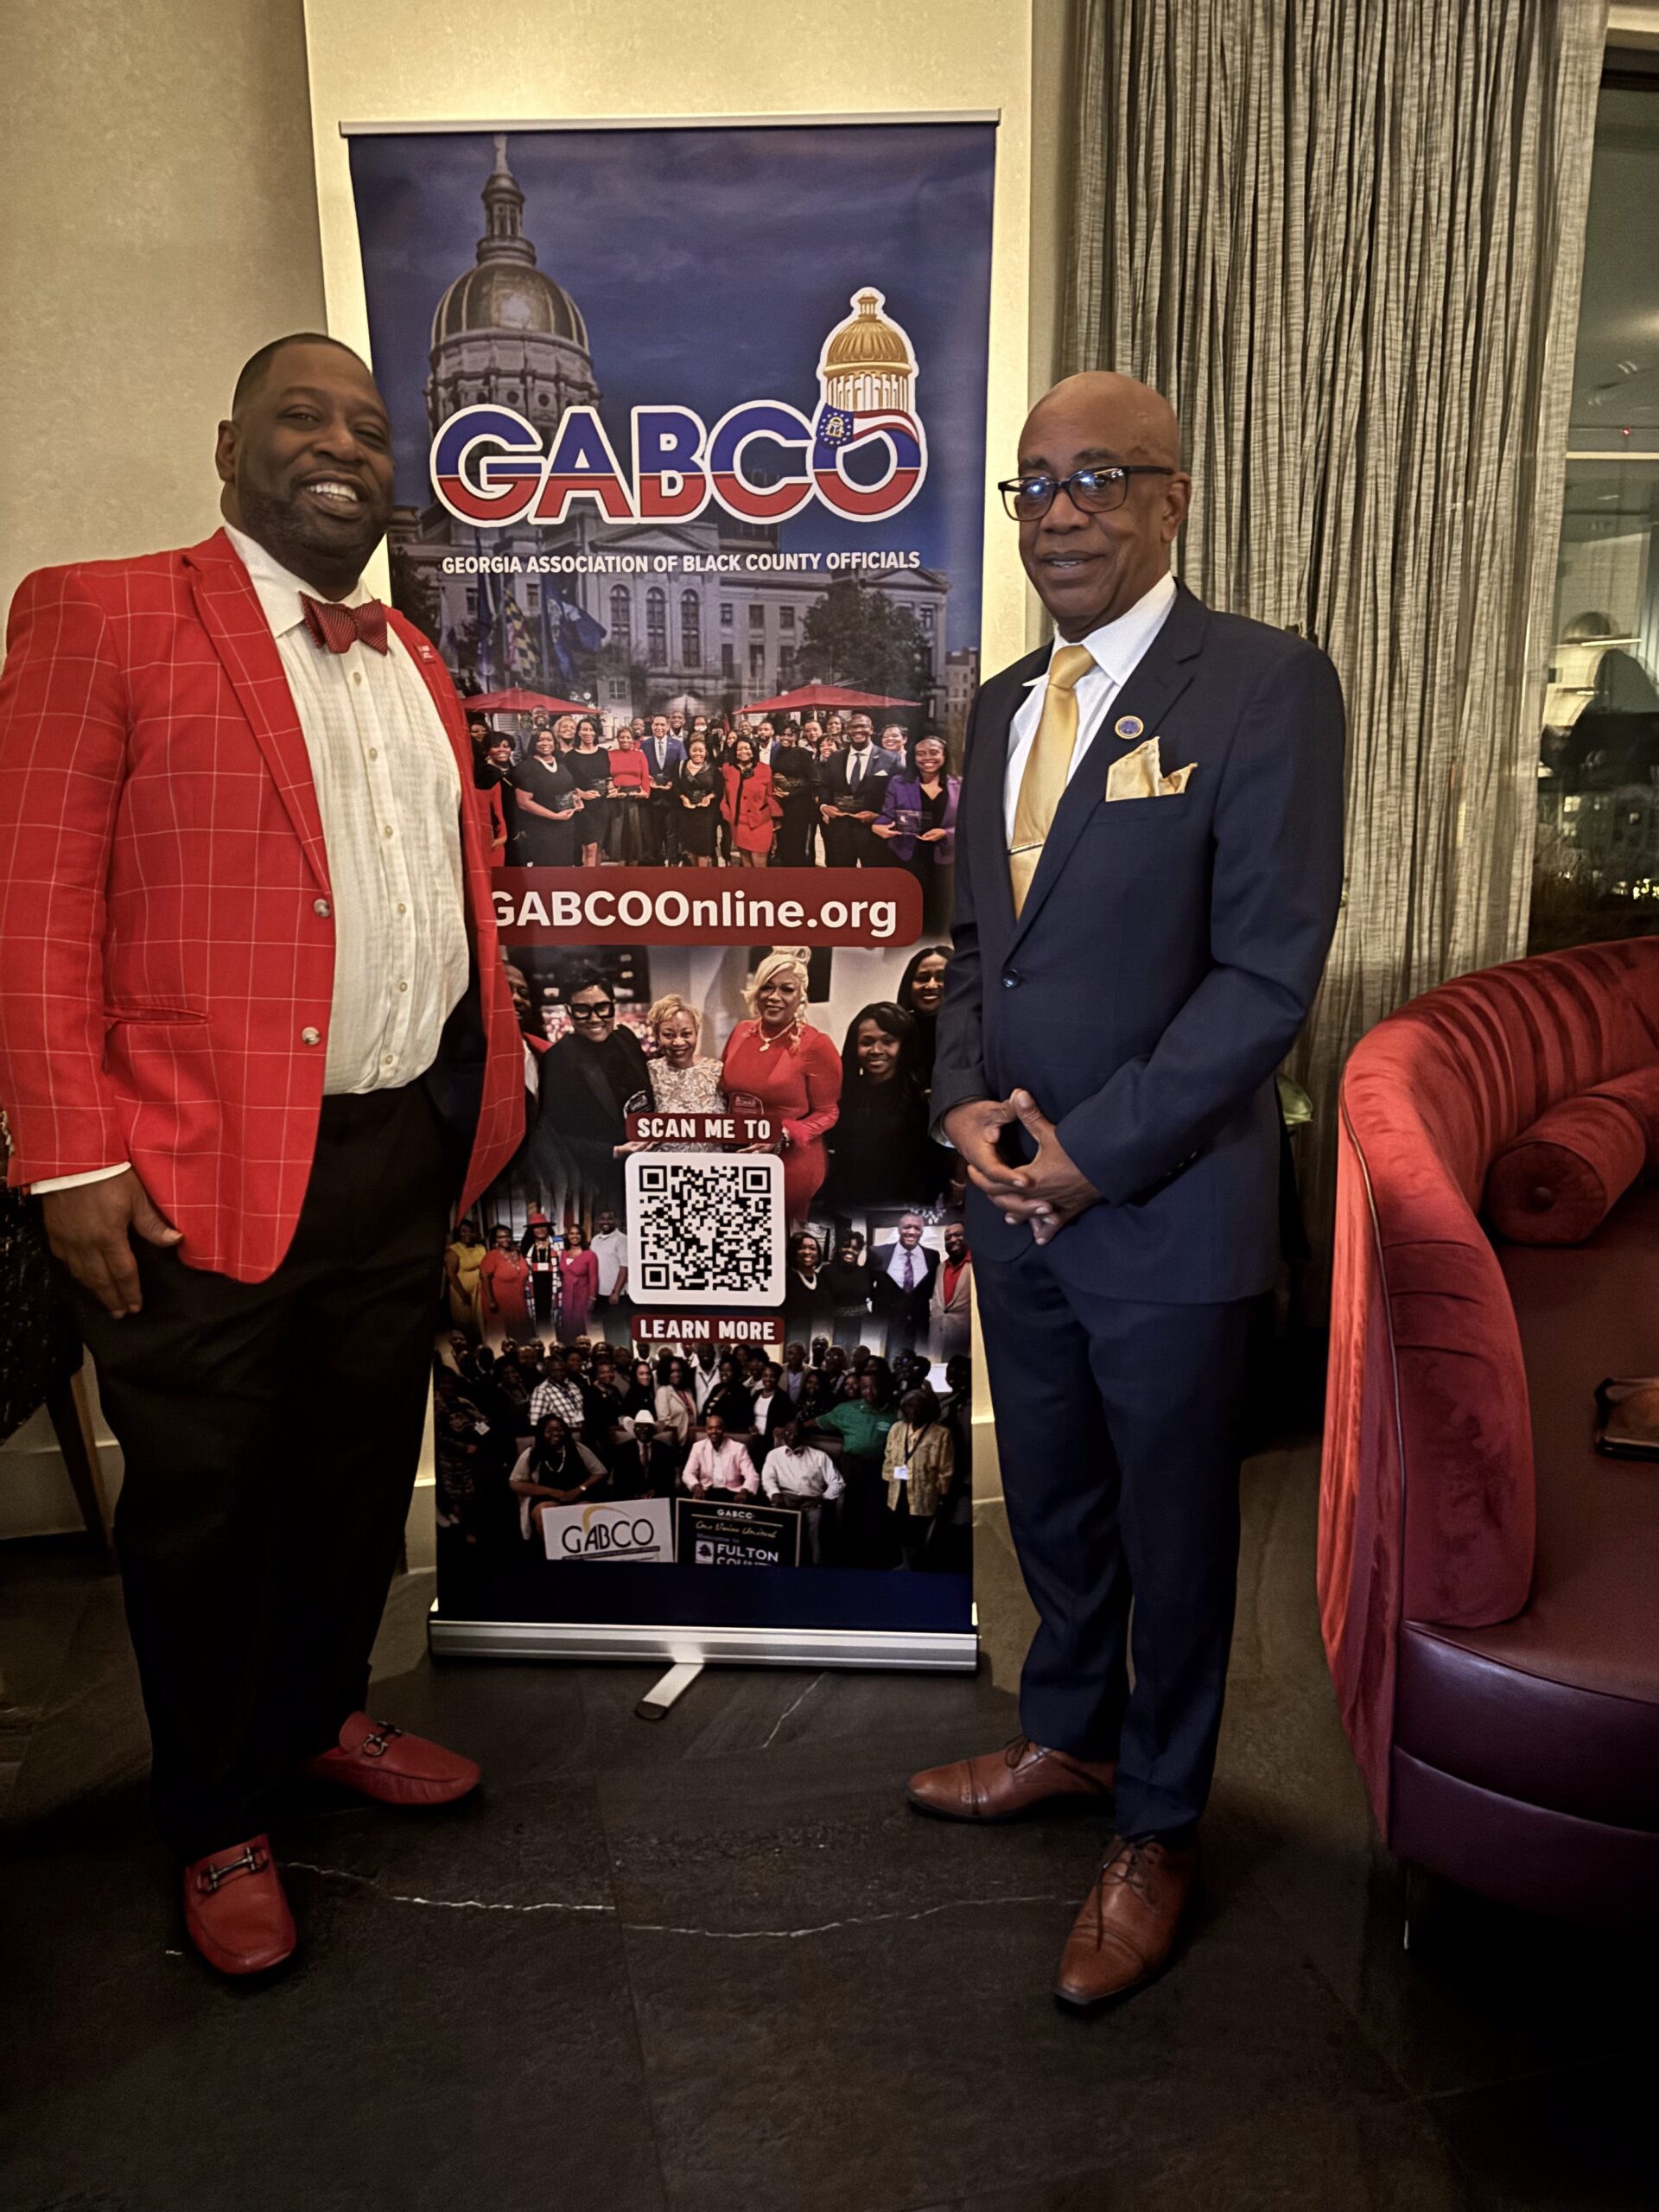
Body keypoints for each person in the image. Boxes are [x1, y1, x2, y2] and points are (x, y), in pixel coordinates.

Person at [0, 332, 524, 1978]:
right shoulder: (98, 614)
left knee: (356, 1473)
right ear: (227, 442)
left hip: (397, 1146)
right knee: (208, 1508)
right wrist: (67, 1161)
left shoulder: (413, 657)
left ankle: (317, 1717)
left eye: (370, 428)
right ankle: (217, 1812)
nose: (343, 447)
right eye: (304, 416)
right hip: (185, 1165)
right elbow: (30, 903)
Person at [909, 371, 1344, 2013]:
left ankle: (1159, 1826)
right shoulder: (1001, 704)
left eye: (1100, 477)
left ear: (1174, 498)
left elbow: (1265, 977)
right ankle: (1070, 1741)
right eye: (1035, 483)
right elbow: (978, 949)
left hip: (1164, 1207)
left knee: (1175, 1536)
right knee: (1058, 1505)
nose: (1063, 511)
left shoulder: (1267, 686)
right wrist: (961, 1105)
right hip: (1014, 1205)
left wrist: (1094, 1154)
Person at [720, 953, 841, 1229]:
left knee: (779, 1241)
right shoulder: (741, 1032)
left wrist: (784, 1134)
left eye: (786, 989)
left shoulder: (816, 1044)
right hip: (738, 1155)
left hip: (790, 1161)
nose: (774, 997)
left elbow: (828, 1112)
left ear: (801, 996)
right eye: (767, 987)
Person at [538, 973, 650, 1217]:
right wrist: (614, 1152)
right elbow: (557, 1138)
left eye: (602, 1008)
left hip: (646, 1170)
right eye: (582, 1010)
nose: (594, 1018)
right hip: (597, 1186)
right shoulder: (557, 1060)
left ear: (613, 1005)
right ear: (569, 1011)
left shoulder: (626, 1038)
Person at [823, 1002, 948, 1212]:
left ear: (904, 1046)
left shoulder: (924, 1098)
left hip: (905, 1212)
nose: (876, 1051)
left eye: (888, 1042)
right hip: (850, 1209)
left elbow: (935, 1170)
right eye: (867, 1042)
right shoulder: (840, 1096)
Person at [807, 1365, 898, 1566]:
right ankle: (847, 1561)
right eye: (864, 1387)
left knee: (875, 1518)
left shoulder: (895, 1413)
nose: (868, 1392)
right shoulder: (846, 1410)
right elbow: (816, 1422)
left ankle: (872, 1563)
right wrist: (794, 1427)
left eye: (873, 1387)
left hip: (881, 1471)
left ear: (883, 1387)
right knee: (849, 1516)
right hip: (852, 1468)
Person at [873, 735, 959, 925]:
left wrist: (946, 834)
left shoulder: (960, 785)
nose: (927, 758)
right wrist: (877, 826)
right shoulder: (898, 783)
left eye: (934, 752)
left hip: (946, 859)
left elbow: (968, 823)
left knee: (940, 914)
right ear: (913, 757)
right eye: (921, 753)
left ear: (944, 755)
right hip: (908, 855)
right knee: (910, 914)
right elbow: (887, 815)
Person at [883, 1385, 956, 1571]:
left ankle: (917, 1565)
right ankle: (905, 1562)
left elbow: (945, 1467)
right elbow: (889, 1455)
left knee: (918, 1528)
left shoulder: (941, 1433)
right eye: (910, 1406)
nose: (914, 1411)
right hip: (898, 1488)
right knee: (900, 1525)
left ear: (929, 1409)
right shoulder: (897, 1428)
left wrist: (942, 1492)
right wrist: (888, 1478)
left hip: (924, 1491)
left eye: (919, 1406)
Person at [633, 995, 725, 1141]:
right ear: (657, 1036)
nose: (678, 1042)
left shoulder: (717, 1071)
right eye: (669, 1035)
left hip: (712, 1156)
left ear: (696, 1033)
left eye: (686, 1034)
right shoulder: (649, 1072)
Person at [510, 1413, 607, 1545]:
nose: (555, 1434)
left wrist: (580, 1489)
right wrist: (554, 1492)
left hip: (578, 1495)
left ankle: (584, 1551)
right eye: (549, 1431)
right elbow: (515, 1483)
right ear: (541, 1433)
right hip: (545, 1497)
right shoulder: (531, 1453)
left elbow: (600, 1472)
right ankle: (554, 1552)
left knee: (587, 1512)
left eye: (559, 1430)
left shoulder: (578, 1449)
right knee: (547, 1514)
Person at [760, 1416, 844, 1564]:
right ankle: (778, 1562)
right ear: (783, 1435)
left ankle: (815, 1564)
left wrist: (823, 1497)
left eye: (796, 1434)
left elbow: (838, 1483)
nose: (792, 1437)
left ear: (804, 1436)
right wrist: (774, 1493)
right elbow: (768, 1478)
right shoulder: (774, 1455)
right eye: (788, 1433)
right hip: (785, 1499)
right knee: (775, 1528)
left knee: (816, 1526)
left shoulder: (819, 1456)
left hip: (811, 1501)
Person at [817, 712, 893, 866]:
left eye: (862, 726)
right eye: (853, 727)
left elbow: (896, 793)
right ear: (847, 730)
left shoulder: (889, 758)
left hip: (873, 829)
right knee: (841, 875)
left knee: (873, 875)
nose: (858, 731)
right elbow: (825, 786)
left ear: (871, 729)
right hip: (840, 828)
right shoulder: (835, 757)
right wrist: (824, 806)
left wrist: (879, 815)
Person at [870, 1212, 939, 1356]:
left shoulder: (932, 1256)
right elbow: (867, 1284)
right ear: (899, 1229)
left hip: (920, 1325)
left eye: (917, 1228)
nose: (912, 1232)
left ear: (922, 1232)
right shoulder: (878, 1252)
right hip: (886, 1325)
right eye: (907, 1227)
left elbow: (932, 1288)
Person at [512, 728, 583, 866]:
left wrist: (576, 800)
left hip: (566, 825)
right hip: (542, 828)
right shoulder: (526, 768)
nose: (545, 743)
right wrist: (554, 816)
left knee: (566, 865)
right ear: (533, 743)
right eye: (540, 740)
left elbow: (567, 787)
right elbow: (523, 802)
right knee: (547, 868)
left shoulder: (562, 763)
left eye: (549, 739)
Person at [720, 733, 780, 867]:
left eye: (747, 748)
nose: (744, 752)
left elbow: (771, 795)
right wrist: (726, 812)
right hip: (738, 822)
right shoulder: (727, 769)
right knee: (745, 861)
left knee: (759, 862)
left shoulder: (765, 769)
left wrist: (776, 820)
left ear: (753, 751)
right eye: (740, 749)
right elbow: (724, 794)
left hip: (760, 822)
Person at [896, 944, 951, 1084]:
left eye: (941, 977)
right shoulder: (896, 1033)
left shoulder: (975, 1033)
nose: (931, 985)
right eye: (923, 978)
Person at [770, 724, 820, 867]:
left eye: (789, 735)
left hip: (799, 806)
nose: (785, 738)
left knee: (796, 843)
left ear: (797, 736)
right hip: (781, 804)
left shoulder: (803, 753)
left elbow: (814, 781)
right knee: (783, 842)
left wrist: (791, 793)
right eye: (783, 735)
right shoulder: (778, 752)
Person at [640, 713, 685, 864]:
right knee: (655, 830)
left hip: (671, 794)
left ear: (667, 727)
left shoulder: (678, 744)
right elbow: (640, 767)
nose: (659, 728)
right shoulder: (644, 745)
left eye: (662, 725)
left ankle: (672, 858)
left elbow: (682, 767)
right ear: (652, 726)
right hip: (652, 795)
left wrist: (673, 782)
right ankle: (657, 858)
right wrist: (647, 780)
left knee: (672, 830)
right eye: (656, 725)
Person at [604, 722, 652, 863]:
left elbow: (645, 775)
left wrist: (646, 792)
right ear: (618, 739)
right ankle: (620, 863)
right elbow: (606, 775)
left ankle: (634, 863)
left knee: (635, 832)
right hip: (617, 797)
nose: (625, 740)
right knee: (618, 832)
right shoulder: (610, 754)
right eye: (622, 737)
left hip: (635, 797)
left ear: (632, 739)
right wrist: (610, 788)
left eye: (628, 737)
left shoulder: (639, 755)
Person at [681, 1410, 758, 1497]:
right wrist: (696, 1485)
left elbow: (751, 1475)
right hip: (706, 1491)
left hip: (732, 1493)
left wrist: (745, 1491)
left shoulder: (739, 1448)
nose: (714, 1431)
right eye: (710, 1428)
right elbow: (688, 1473)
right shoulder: (698, 1447)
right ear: (706, 1430)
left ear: (724, 1429)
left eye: (718, 1428)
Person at [567, 717, 610, 866]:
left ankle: (597, 876)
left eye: (591, 730)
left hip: (602, 805)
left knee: (599, 846)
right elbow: (567, 782)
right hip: (584, 807)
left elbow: (607, 776)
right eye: (585, 729)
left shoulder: (603, 753)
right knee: (589, 847)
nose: (588, 733)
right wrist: (580, 793)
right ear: (578, 732)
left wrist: (611, 787)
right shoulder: (570, 756)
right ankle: (588, 878)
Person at [674, 733, 721, 865]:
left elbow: (719, 789)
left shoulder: (712, 768)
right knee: (690, 849)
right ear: (689, 751)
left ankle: (703, 876)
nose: (697, 754)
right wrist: (683, 797)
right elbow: (676, 787)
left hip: (706, 814)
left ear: (706, 752)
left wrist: (710, 797)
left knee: (704, 850)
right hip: (687, 813)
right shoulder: (680, 767)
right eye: (694, 750)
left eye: (701, 750)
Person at [930, 1218, 973, 1362]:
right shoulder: (940, 1267)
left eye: (958, 1235)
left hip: (966, 1341)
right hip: (937, 1340)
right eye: (948, 1237)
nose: (953, 1240)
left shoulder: (978, 1266)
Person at [821, 1233, 873, 1350]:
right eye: (846, 1246)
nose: (850, 1250)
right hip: (835, 1323)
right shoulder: (827, 1271)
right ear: (839, 1248)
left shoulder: (865, 1272)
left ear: (859, 1251)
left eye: (855, 1248)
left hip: (863, 1324)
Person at [612, 1411, 678, 1500]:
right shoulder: (622, 1450)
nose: (642, 1431)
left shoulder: (665, 1450)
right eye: (638, 1427)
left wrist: (655, 1493)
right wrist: (635, 1496)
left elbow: (669, 1478)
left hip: (658, 1497)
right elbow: (619, 1479)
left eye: (646, 1427)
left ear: (653, 1430)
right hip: (630, 1498)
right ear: (634, 1430)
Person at [444, 1217, 487, 1334]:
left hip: (479, 1290)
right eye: (464, 1231)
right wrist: (462, 1293)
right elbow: (451, 1272)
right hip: (461, 1290)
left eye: (471, 1231)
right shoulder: (454, 1249)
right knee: (465, 1321)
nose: (467, 1234)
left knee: (480, 1321)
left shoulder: (481, 1248)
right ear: (459, 1233)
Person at [557, 1222, 599, 1341]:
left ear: (582, 1236)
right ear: (567, 1236)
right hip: (566, 1296)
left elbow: (594, 1278)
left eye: (577, 1234)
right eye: (571, 1234)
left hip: (582, 1296)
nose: (574, 1236)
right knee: (567, 1327)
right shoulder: (563, 1253)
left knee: (581, 1328)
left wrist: (592, 1299)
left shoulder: (590, 1255)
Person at [522, 1212, 561, 1337]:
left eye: (543, 1226)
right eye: (536, 1227)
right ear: (531, 1230)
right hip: (535, 1286)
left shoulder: (559, 1244)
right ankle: (539, 1339)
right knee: (538, 1315)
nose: (540, 1230)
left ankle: (553, 1338)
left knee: (553, 1314)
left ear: (548, 1228)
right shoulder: (526, 1246)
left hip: (552, 1285)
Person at [702, 1352, 754, 1437]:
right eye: (722, 1370)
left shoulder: (741, 1391)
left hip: (730, 1435)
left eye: (728, 1370)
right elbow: (706, 1409)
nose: (724, 1373)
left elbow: (743, 1419)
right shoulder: (717, 1388)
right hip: (711, 1433)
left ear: (735, 1372)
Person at [653, 1353, 698, 1445]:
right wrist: (675, 1440)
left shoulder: (687, 1391)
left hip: (691, 1440)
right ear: (666, 1373)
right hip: (676, 1442)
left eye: (679, 1371)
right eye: (672, 1371)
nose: (677, 1374)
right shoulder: (663, 1391)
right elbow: (664, 1422)